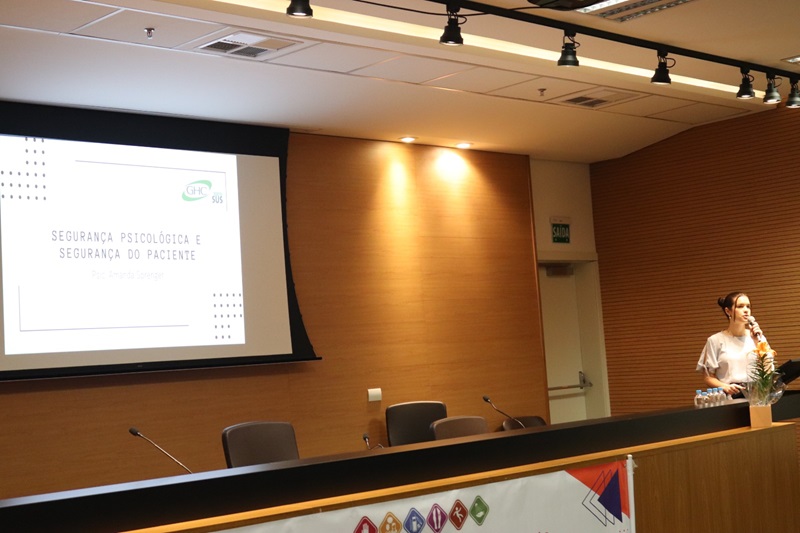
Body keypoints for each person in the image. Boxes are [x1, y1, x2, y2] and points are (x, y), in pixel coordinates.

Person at [696, 291, 765, 396]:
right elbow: (708, 377)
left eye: (748, 306)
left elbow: (769, 369)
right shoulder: (715, 340)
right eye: (740, 306)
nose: (746, 310)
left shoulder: (758, 337)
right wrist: (725, 386)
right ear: (728, 311)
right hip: (731, 395)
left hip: (757, 395)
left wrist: (757, 343)